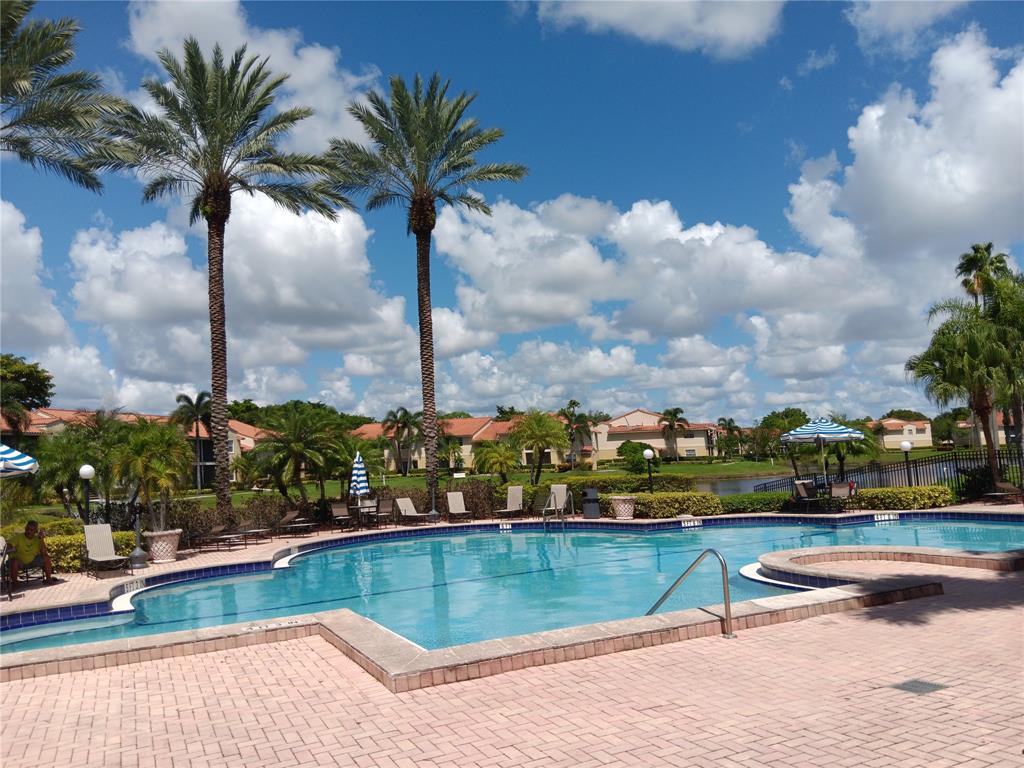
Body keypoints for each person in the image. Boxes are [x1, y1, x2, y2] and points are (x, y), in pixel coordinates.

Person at [8, 521, 53, 586]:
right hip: (19, 561)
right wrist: (11, 548)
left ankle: (49, 579)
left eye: (31, 530)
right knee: (14, 562)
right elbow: (8, 546)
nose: (28, 531)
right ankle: (15, 584)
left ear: (35, 531)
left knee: (46, 558)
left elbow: (44, 553)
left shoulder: (37, 539)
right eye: (27, 529)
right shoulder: (18, 537)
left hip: (32, 561)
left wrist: (41, 539)